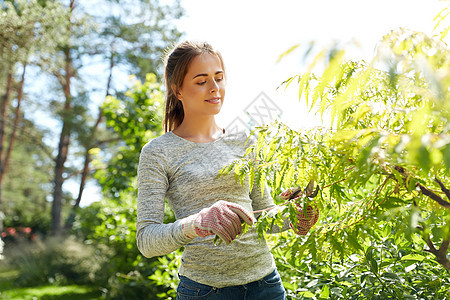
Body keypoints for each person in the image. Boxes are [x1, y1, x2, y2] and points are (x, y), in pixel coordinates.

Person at [136, 40, 318, 300]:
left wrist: (294, 216)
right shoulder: (157, 152)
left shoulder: (244, 140)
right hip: (204, 291)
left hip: (266, 285)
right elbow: (147, 240)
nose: (214, 88)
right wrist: (196, 223)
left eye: (219, 78)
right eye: (201, 81)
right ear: (178, 91)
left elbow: (264, 214)